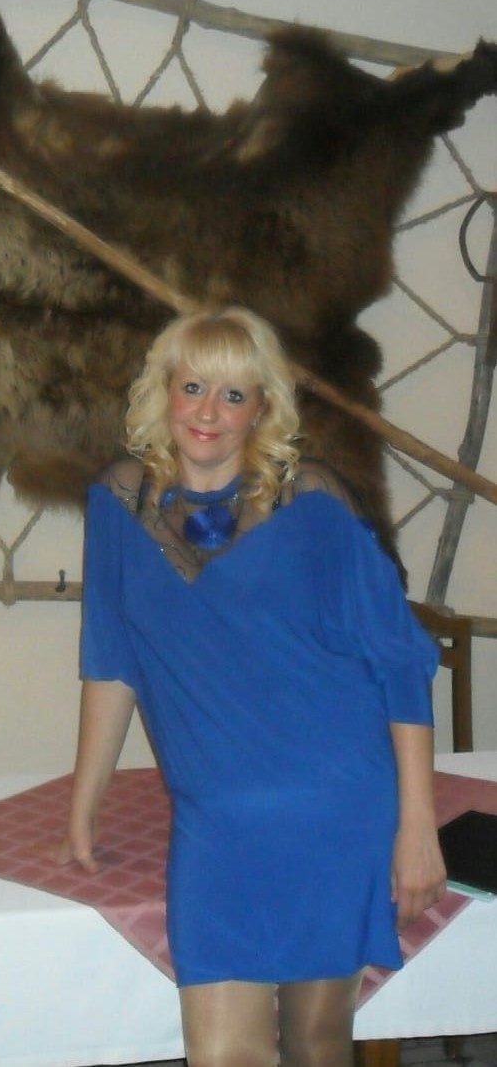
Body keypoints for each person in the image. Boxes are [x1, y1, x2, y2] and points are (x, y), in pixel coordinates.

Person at [56, 305, 446, 1067]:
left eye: (234, 394)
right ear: (164, 391)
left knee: (316, 1043)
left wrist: (418, 825)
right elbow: (110, 658)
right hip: (215, 820)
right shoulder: (119, 503)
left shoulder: (314, 502)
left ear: (262, 408)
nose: (208, 411)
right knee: (223, 1052)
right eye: (193, 387)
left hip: (334, 807)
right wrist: (84, 804)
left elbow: (399, 659)